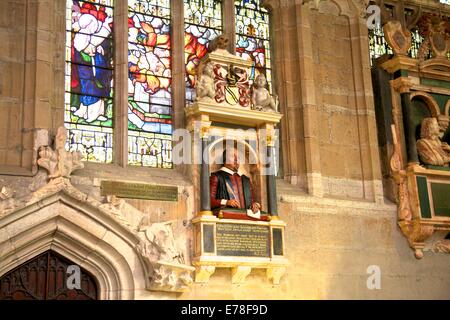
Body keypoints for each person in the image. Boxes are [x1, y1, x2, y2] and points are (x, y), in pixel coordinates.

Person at [210, 147, 261, 215]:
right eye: (232, 156)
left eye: (238, 157)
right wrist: (226, 202)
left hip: (246, 219)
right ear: (224, 160)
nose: (236, 159)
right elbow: (209, 202)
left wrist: (255, 205)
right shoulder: (217, 176)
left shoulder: (246, 180)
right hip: (226, 218)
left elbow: (251, 202)